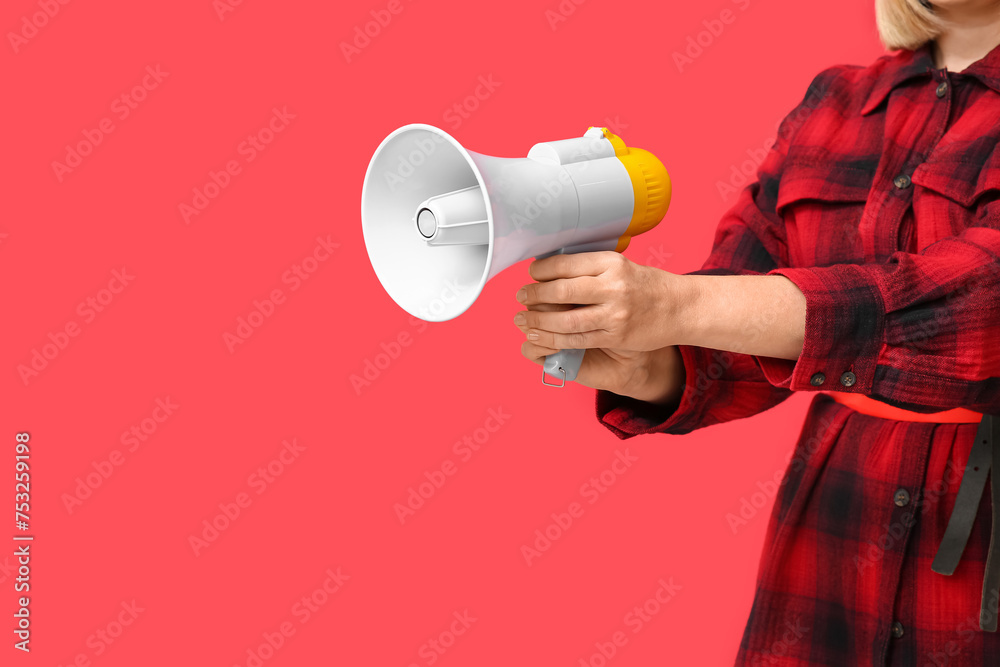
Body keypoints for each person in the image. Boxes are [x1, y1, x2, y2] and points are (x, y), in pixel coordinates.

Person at [513, 0, 1000, 664]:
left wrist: (675, 304)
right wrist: (648, 361)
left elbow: (981, 303)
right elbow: (734, 319)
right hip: (828, 552)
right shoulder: (836, 105)